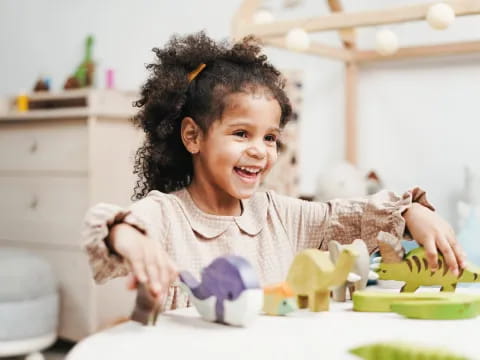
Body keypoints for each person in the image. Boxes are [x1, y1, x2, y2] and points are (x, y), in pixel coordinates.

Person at [83, 31, 465, 316]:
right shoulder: (166, 215)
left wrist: (413, 212)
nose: (259, 150)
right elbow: (105, 224)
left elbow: (353, 215)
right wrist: (130, 238)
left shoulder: (280, 215)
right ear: (192, 136)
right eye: (240, 133)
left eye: (270, 138)